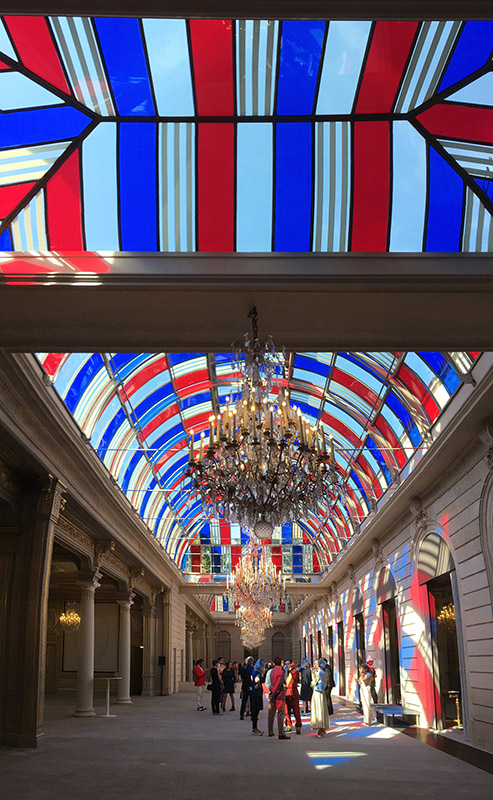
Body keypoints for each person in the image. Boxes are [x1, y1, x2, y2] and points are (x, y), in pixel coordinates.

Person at [268, 656, 290, 739]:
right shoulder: (281, 672)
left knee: (271, 713)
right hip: (279, 695)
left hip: (272, 693)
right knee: (280, 714)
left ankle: (270, 731)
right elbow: (278, 684)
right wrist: (275, 692)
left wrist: (271, 692)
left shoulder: (271, 671)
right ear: (281, 663)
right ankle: (281, 733)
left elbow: (271, 683)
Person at [310, 659, 330, 737]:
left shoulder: (319, 673)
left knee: (319, 709)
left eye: (315, 663)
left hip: (318, 693)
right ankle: (322, 728)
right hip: (320, 693)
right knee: (321, 709)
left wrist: (313, 675)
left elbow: (313, 683)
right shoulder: (322, 672)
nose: (314, 665)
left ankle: (320, 729)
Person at [284, 660, 302, 734]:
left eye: (288, 664)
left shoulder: (295, 672)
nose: (287, 666)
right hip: (288, 693)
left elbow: (295, 679)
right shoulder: (285, 672)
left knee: (295, 711)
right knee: (287, 711)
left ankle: (297, 726)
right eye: (286, 664)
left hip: (292, 693)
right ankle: (289, 725)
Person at [250, 658, 265, 736]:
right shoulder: (258, 673)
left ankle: (255, 728)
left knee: (255, 711)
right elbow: (256, 680)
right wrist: (258, 685)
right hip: (257, 693)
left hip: (254, 693)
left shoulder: (254, 672)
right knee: (256, 710)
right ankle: (254, 729)